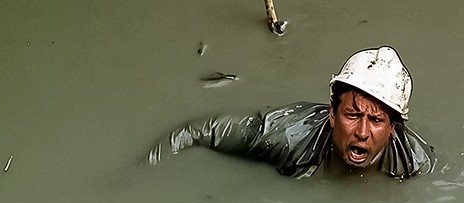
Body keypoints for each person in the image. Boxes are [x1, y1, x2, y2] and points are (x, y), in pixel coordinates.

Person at [147, 46, 435, 179]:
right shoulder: (287, 133)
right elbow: (200, 130)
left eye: (375, 120)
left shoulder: (415, 163)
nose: (362, 132)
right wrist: (144, 172)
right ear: (332, 113)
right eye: (352, 115)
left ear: (394, 128)